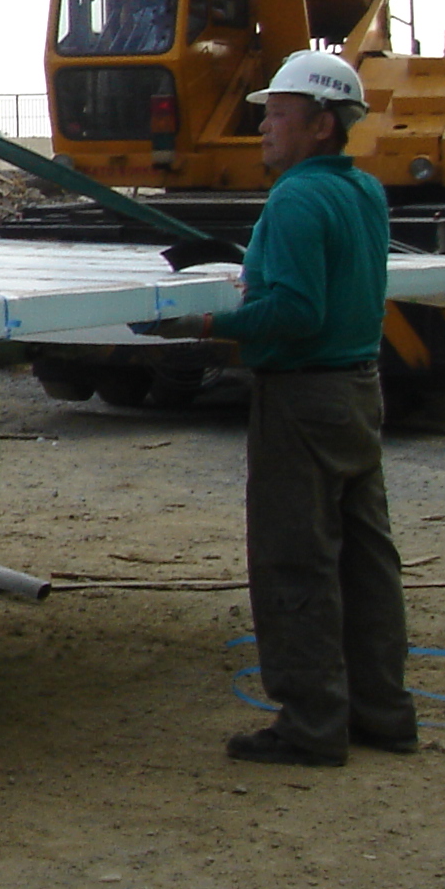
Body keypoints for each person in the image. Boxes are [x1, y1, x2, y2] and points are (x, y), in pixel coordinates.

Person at [169, 51, 414, 767]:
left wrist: (207, 325)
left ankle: (311, 725)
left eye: (278, 114)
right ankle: (383, 712)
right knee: (366, 560)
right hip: (356, 391)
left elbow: (298, 313)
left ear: (321, 124)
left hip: (303, 398)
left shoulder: (296, 199)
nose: (264, 127)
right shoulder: (363, 191)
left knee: (295, 559)